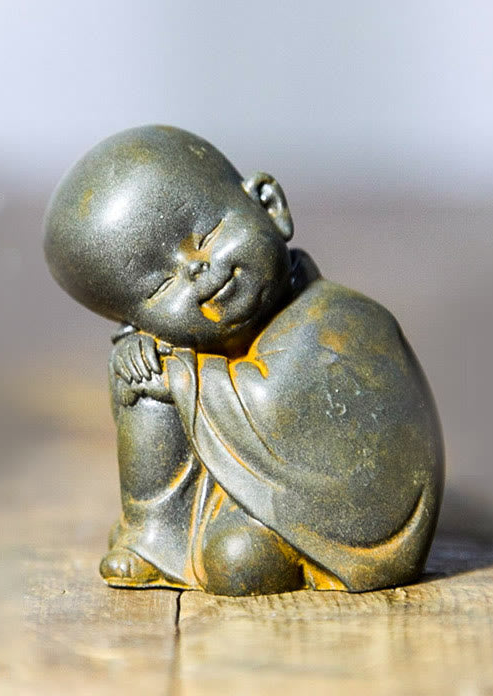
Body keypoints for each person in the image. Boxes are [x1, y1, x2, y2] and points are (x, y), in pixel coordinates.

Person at [44, 125, 443, 595]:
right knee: (140, 378)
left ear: (269, 205)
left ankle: (280, 546)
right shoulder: (184, 349)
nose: (194, 270)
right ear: (135, 320)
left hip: (348, 519)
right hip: (239, 481)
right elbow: (184, 384)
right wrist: (146, 365)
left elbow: (283, 400)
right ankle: (155, 537)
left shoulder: (344, 320)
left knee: (237, 561)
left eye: (207, 234)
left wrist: (181, 379)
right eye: (159, 289)